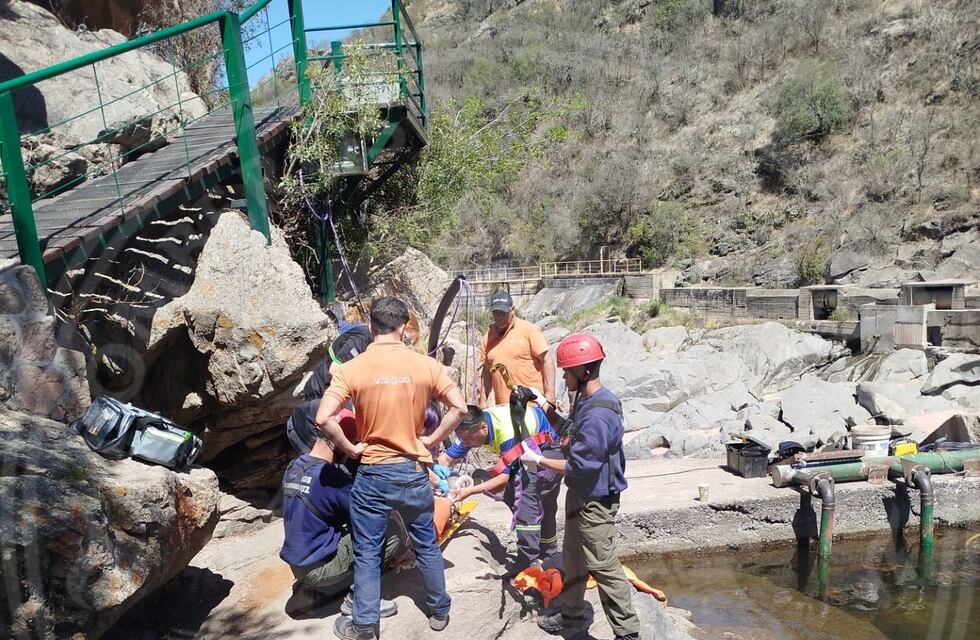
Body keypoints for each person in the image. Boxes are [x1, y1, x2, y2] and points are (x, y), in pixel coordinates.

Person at [315, 297, 468, 640]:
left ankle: (366, 625)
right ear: (403, 328)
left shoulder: (351, 369)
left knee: (368, 550)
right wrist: (429, 442)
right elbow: (458, 408)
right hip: (412, 469)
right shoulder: (425, 366)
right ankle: (440, 610)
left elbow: (323, 417)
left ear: (371, 327)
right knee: (426, 542)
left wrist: (351, 447)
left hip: (372, 472)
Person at [520, 333, 641, 640]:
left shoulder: (600, 414)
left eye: (566, 371)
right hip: (580, 494)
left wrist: (540, 461)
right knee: (573, 556)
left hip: (596, 500)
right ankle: (572, 615)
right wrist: (543, 406)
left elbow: (580, 465)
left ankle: (627, 632)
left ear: (584, 372)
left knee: (602, 564)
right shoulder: (588, 401)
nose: (562, 375)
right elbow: (571, 431)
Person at [280, 401, 404, 617]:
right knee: (390, 530)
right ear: (344, 443)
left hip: (298, 562)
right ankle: (360, 599)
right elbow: (373, 513)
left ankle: (317, 585)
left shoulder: (296, 466)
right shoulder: (333, 478)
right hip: (317, 568)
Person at [438, 401, 561, 574]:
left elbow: (504, 478)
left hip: (549, 447)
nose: (466, 443)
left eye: (468, 439)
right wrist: (435, 475)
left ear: (482, 428)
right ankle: (547, 552)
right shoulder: (469, 428)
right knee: (522, 499)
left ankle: (529, 563)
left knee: (527, 497)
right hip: (529, 449)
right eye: (463, 439)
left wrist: (469, 491)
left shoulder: (507, 432)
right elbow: (446, 459)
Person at [480, 290, 556, 406]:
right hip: (504, 409)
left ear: (512, 310)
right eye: (496, 312)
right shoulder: (487, 337)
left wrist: (550, 394)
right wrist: (483, 401)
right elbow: (486, 371)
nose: (499, 316)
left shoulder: (528, 330)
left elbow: (547, 360)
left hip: (532, 406)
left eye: (503, 312)